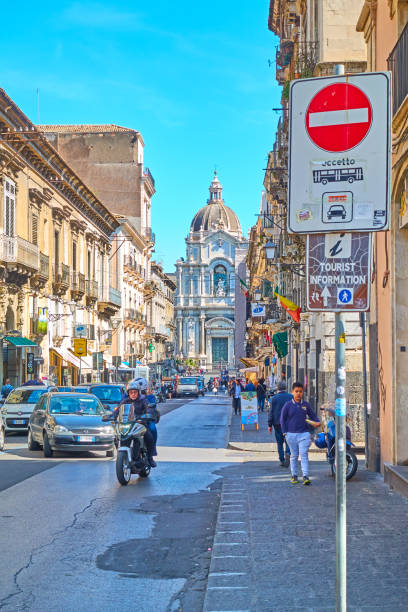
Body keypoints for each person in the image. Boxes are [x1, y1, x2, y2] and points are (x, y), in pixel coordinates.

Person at [280, 382, 320, 485]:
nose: (298, 393)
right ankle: (294, 475)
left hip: (304, 434)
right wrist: (285, 433)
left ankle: (305, 476)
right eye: (296, 391)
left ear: (303, 392)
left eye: (300, 391)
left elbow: (313, 416)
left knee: (304, 454)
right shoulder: (287, 405)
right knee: (294, 455)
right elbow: (282, 419)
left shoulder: (305, 405)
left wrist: (316, 421)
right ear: (292, 392)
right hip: (291, 434)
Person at [113, 380, 157, 467]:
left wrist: (148, 414)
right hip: (128, 424)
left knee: (149, 436)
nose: (133, 394)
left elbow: (148, 408)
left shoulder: (143, 400)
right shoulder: (125, 401)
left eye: (135, 392)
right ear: (128, 393)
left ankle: (150, 457)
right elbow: (118, 410)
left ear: (138, 392)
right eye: (131, 392)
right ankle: (122, 454)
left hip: (140, 424)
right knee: (117, 435)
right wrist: (112, 416)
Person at [268, 380, 292, 467]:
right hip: (289, 423)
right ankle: (288, 453)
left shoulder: (274, 398)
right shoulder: (291, 397)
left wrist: (269, 425)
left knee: (279, 443)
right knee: (288, 441)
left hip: (277, 423)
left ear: (278, 388)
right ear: (285, 387)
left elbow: (271, 412)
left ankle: (282, 459)